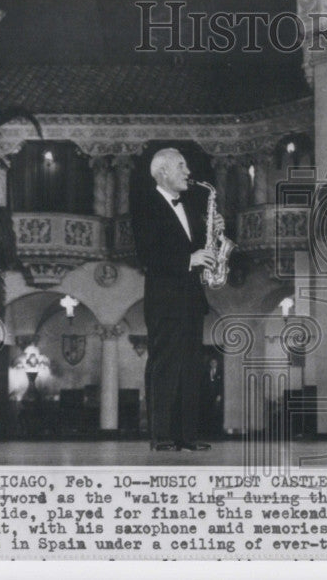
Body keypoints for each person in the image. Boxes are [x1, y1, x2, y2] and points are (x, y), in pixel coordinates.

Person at [131, 148, 221, 452]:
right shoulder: (147, 205)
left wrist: (215, 234)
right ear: (163, 173)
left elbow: (199, 248)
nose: (187, 172)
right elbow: (147, 255)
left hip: (190, 299)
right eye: (181, 166)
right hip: (165, 300)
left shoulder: (189, 206)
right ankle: (162, 435)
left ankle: (187, 435)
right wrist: (189, 258)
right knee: (165, 365)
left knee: (191, 367)